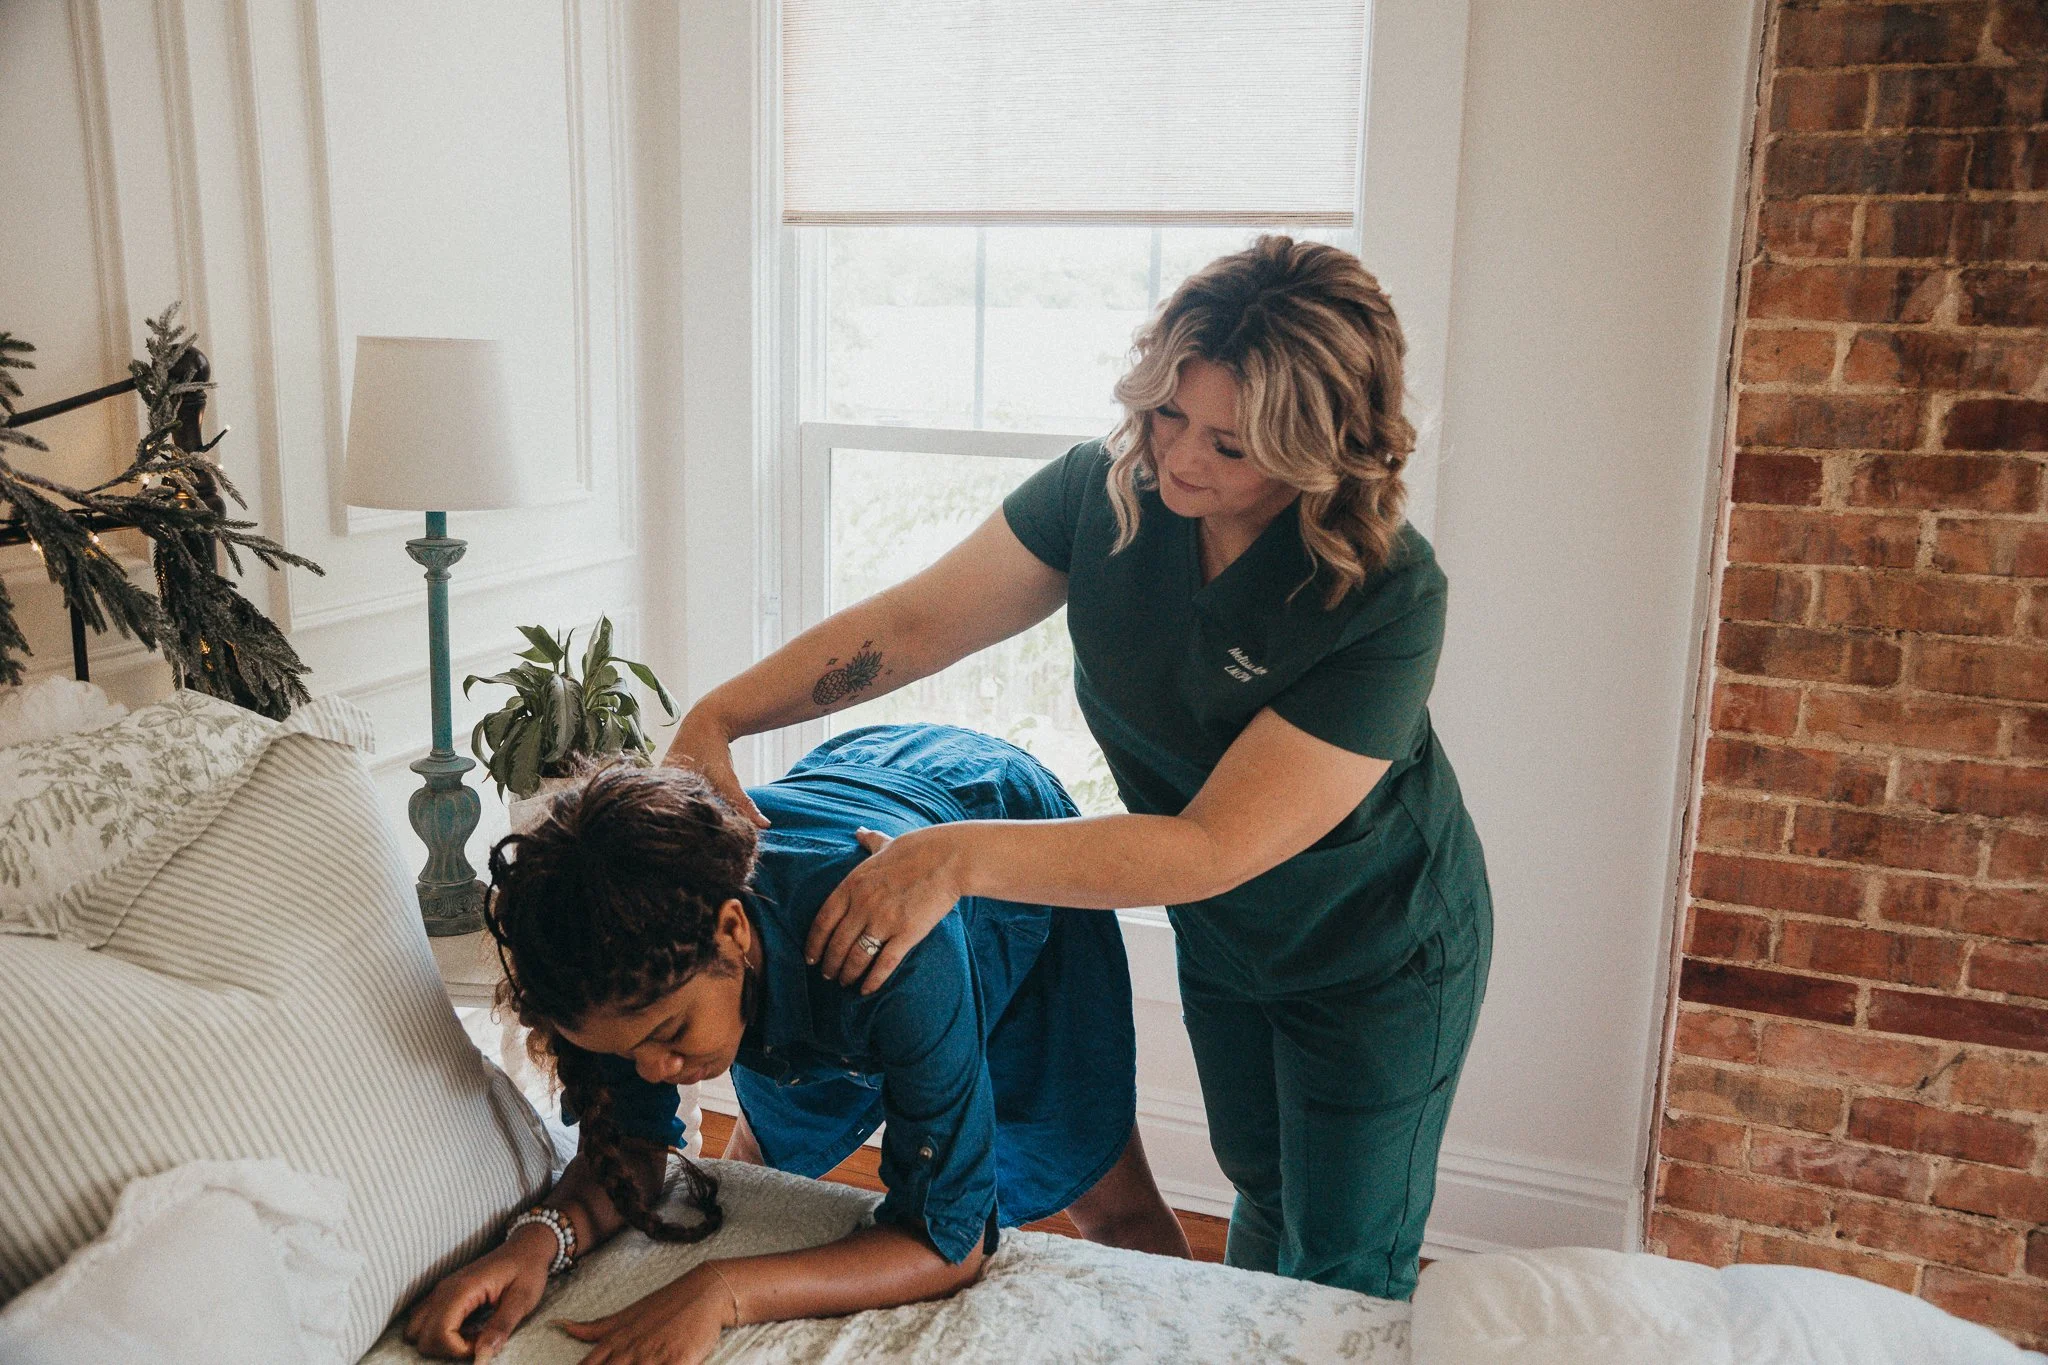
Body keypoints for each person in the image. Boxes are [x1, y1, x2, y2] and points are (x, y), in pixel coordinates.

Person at [668, 236, 1492, 1301]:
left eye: (1230, 445)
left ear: (1322, 446)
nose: (1181, 459)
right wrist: (718, 715)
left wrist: (953, 858)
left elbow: (1209, 843)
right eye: (1166, 415)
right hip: (1228, 937)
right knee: (1263, 1189)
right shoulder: (1106, 497)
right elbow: (916, 625)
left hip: (1375, 949)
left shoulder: (1386, 596)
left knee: (1342, 1251)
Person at [402, 725, 1186, 1363]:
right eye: (626, 1050)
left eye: (671, 1036)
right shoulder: (625, 964)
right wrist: (540, 1240)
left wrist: (722, 1288)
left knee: (1107, 1195)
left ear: (733, 932)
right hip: (839, 809)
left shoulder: (905, 957)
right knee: (761, 1162)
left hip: (989, 845)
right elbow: (632, 1150)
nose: (655, 1071)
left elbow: (949, 1243)